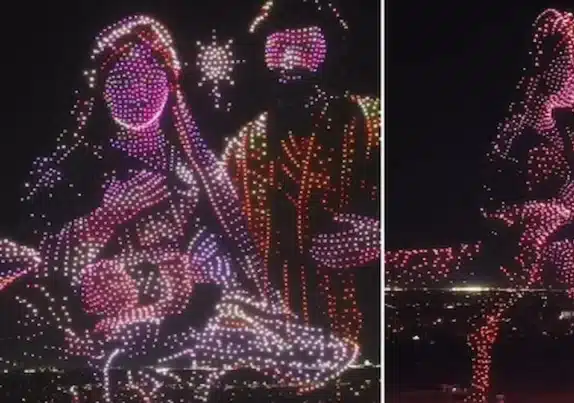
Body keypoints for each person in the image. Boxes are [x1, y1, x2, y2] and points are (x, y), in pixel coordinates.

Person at [16, 15, 356, 400]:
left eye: (149, 76)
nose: (137, 90)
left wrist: (204, 266)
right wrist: (108, 216)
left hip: (187, 304)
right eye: (122, 78)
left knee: (305, 349)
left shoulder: (190, 168)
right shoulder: (74, 166)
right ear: (101, 89)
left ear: (169, 82)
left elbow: (220, 244)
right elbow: (51, 264)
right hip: (108, 316)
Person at [221, 0, 380, 350]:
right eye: (277, 49)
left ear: (331, 52)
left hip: (363, 309)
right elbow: (223, 239)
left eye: (306, 47)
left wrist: (380, 235)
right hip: (274, 320)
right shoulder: (243, 146)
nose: (291, 61)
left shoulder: (372, 120)